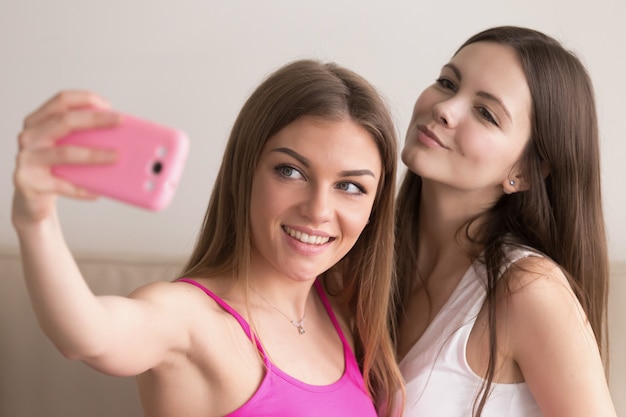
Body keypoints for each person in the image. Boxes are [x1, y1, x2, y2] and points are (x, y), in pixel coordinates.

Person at [12, 59, 404, 416]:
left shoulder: (346, 314)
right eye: (290, 172)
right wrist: (36, 220)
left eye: (350, 186)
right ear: (243, 173)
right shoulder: (190, 319)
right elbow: (87, 335)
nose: (318, 210)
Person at [393, 26, 617, 416]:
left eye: (486, 113)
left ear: (525, 173)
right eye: (447, 82)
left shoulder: (528, 291)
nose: (445, 109)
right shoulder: (360, 254)